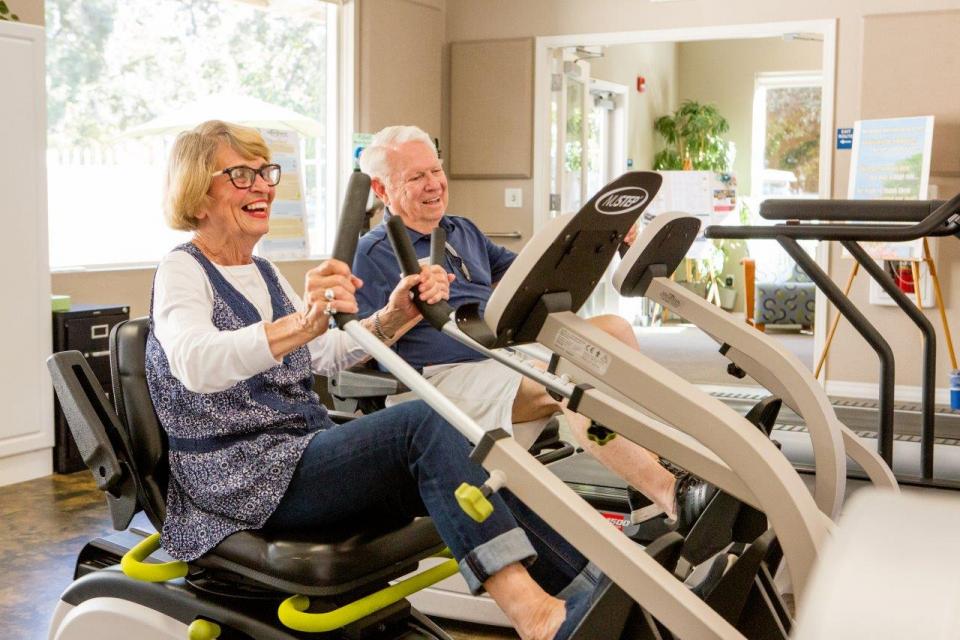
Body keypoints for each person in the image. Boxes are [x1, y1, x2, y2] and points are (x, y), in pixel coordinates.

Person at [146, 120, 604, 640]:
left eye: (265, 172)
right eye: (242, 175)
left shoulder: (264, 271)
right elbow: (195, 363)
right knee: (422, 423)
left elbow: (325, 353)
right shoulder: (183, 271)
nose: (264, 186)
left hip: (297, 450)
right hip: (238, 475)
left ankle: (601, 597)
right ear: (196, 193)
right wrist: (300, 323)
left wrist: (395, 314)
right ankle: (537, 618)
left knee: (480, 457)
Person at [354, 125, 714, 528]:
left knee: (611, 330)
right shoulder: (372, 253)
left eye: (435, 170)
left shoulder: (461, 230)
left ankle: (671, 462)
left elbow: (534, 275)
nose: (434, 183)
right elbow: (361, 346)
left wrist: (602, 241)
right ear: (382, 191)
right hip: (445, 379)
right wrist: (402, 310)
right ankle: (672, 497)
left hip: (502, 355)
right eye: (416, 177)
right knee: (570, 379)